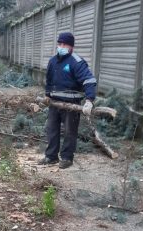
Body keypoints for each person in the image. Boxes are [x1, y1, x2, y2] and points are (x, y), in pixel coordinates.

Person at [39, 32, 96, 169]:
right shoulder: (53, 61)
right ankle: (51, 156)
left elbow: (89, 80)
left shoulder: (76, 62)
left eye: (64, 44)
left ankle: (66, 158)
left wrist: (89, 100)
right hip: (54, 103)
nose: (61, 46)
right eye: (59, 44)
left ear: (71, 47)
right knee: (51, 129)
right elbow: (49, 80)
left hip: (71, 105)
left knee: (70, 132)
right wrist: (47, 94)